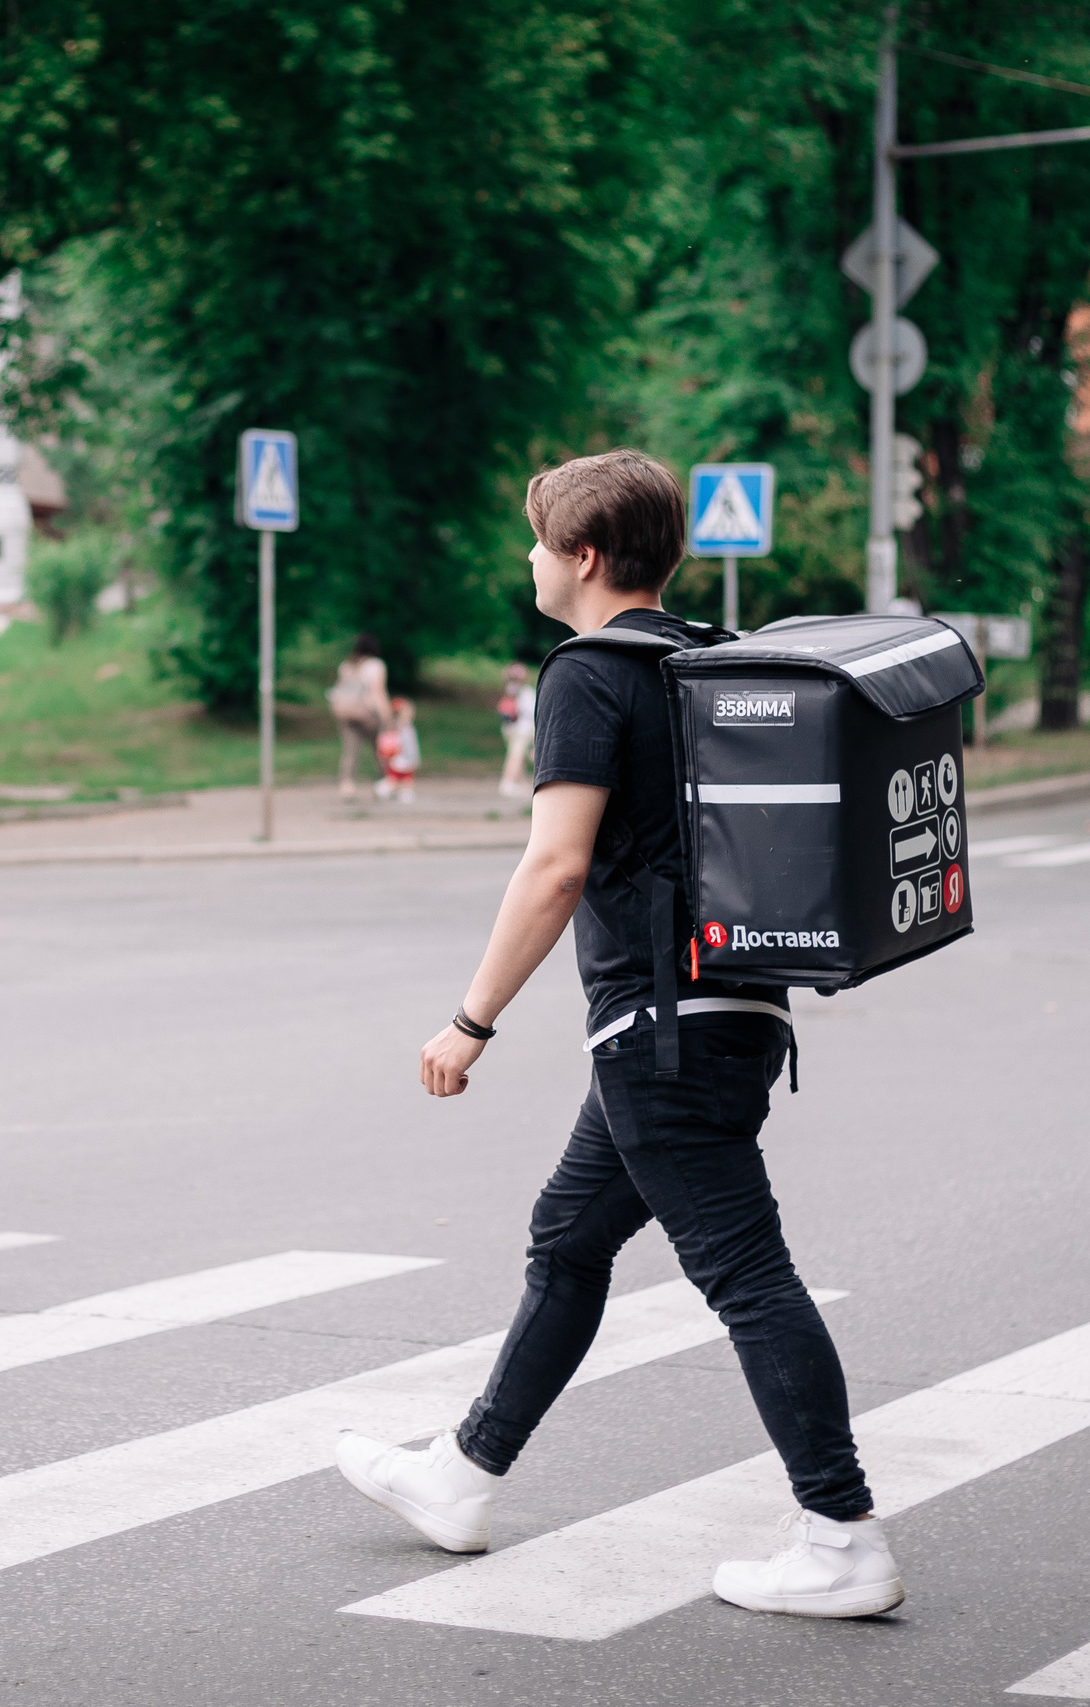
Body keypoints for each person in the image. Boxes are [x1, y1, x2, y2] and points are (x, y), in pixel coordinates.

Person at [332, 448, 902, 1620]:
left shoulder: (587, 675)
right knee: (568, 1239)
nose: (528, 560)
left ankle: (841, 1535)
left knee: (747, 1276)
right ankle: (463, 1474)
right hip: (730, 1010)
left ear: (583, 559)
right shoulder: (697, 659)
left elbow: (554, 867)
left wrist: (468, 1020)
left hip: (661, 1033)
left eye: (538, 543)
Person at [328, 636, 390, 799]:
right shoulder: (376, 666)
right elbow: (378, 692)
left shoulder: (347, 665)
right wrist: (387, 716)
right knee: (380, 749)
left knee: (350, 750)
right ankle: (384, 782)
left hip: (345, 712)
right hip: (368, 713)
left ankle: (347, 785)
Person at [496, 663, 537, 798]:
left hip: (509, 728)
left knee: (518, 755)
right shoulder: (526, 692)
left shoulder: (509, 690)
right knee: (516, 756)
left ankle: (519, 782)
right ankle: (508, 782)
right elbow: (531, 712)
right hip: (522, 729)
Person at [373, 696, 421, 802]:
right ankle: (382, 789)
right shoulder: (396, 728)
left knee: (407, 779)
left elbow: (412, 746)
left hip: (408, 759)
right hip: (397, 758)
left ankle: (405, 794)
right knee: (393, 779)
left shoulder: (409, 727)